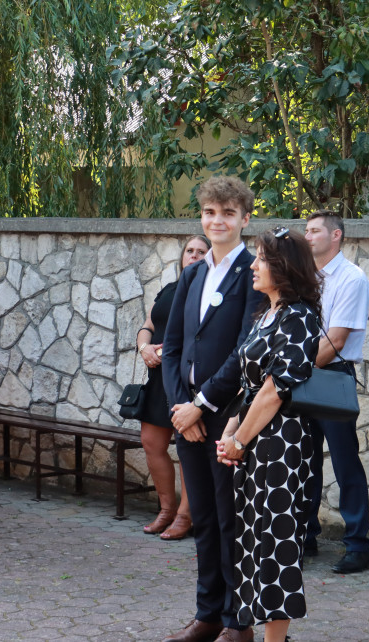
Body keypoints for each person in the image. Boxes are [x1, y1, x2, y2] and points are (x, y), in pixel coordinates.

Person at [161, 176, 263, 642]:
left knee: (231, 519)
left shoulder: (255, 275)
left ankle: (237, 621)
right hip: (189, 417)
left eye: (226, 213)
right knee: (202, 516)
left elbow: (245, 350)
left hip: (229, 418)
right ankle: (207, 614)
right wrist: (181, 407)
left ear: (245, 218)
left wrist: (203, 406)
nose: (216, 221)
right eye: (208, 213)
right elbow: (174, 346)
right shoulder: (193, 273)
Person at [217, 226, 321, 642]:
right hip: (253, 437)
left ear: (284, 267)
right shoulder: (267, 313)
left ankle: (275, 641)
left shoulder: (300, 317)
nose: (254, 266)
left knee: (277, 539)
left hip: (281, 443)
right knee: (251, 537)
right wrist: (230, 434)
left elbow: (276, 390)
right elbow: (248, 385)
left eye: (262, 259)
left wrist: (239, 440)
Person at [302, 210, 369, 573]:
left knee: (345, 463)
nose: (308, 236)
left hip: (332, 375)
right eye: (306, 230)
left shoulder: (352, 278)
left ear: (337, 236)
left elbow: (337, 339)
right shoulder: (305, 277)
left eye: (315, 230)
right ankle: (306, 536)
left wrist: (296, 368)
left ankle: (358, 546)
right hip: (302, 376)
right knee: (304, 460)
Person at [135, 234, 210, 540]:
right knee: (151, 442)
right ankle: (166, 510)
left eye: (200, 251)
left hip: (189, 379)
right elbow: (149, 325)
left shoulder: (210, 290)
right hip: (159, 377)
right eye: (189, 250)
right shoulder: (169, 289)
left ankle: (185, 516)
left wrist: (167, 352)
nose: (193, 255)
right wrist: (144, 348)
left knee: (187, 448)